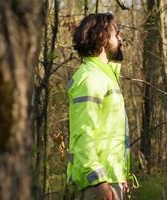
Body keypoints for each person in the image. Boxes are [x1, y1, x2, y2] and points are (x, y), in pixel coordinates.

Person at [66, 13, 131, 200]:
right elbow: (82, 135)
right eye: (116, 32)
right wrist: (98, 182)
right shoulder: (91, 78)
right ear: (102, 37)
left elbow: (109, 134)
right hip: (98, 184)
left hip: (110, 179)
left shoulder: (105, 77)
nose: (120, 37)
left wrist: (120, 175)